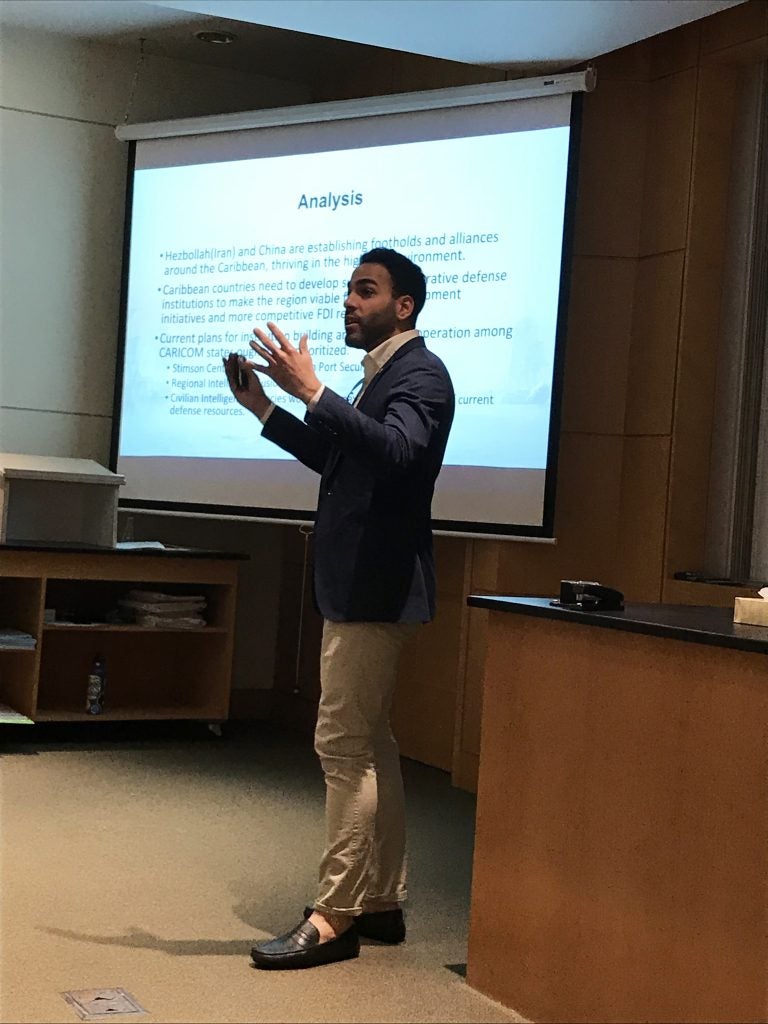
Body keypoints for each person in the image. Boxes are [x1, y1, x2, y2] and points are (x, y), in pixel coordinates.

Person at [223, 247, 455, 970]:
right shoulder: (377, 379)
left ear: (404, 306)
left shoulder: (422, 375)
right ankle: (379, 901)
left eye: (365, 291)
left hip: (374, 588)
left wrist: (314, 392)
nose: (349, 302)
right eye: (349, 290)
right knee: (371, 742)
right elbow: (340, 462)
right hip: (359, 584)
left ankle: (335, 914)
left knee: (343, 747)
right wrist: (268, 407)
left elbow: (399, 451)